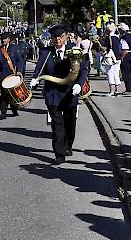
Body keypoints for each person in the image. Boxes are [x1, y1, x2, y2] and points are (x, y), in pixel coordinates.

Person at [30, 24, 88, 165]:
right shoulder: (46, 52)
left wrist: (79, 84)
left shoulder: (74, 51)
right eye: (55, 37)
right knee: (57, 124)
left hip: (70, 93)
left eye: (60, 37)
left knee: (70, 123)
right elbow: (40, 67)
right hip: (53, 93)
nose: (57, 40)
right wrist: (35, 78)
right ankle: (59, 153)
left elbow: (83, 69)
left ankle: (68, 144)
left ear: (66, 37)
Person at [0, 32, 20, 119]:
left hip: (12, 74)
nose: (3, 40)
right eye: (2, 39)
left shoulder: (15, 48)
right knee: (4, 94)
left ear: (9, 39)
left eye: (5, 38)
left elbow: (19, 61)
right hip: (2, 75)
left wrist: (19, 70)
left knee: (13, 93)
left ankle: (14, 109)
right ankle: (3, 112)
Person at [101, 23, 122, 97]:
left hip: (110, 58)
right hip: (117, 58)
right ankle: (117, 90)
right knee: (116, 74)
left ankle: (111, 91)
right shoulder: (117, 38)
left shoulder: (107, 38)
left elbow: (105, 48)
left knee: (110, 74)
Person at [118, 23, 131, 94]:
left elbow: (125, 49)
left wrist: (122, 57)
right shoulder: (129, 36)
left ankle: (129, 89)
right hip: (130, 55)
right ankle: (129, 88)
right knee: (128, 72)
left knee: (126, 73)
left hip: (126, 56)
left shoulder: (124, 38)